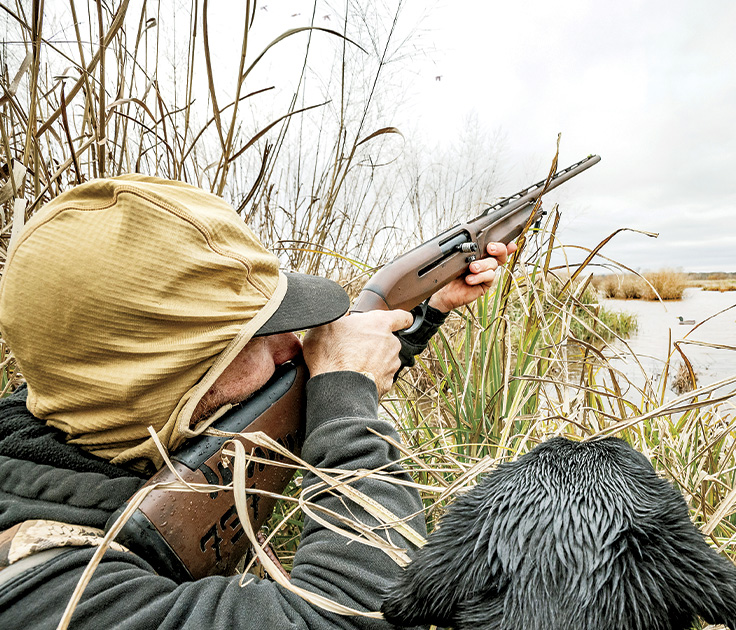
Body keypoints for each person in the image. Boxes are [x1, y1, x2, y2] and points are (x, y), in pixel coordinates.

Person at [0, 174, 514, 628]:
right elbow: (356, 611)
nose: (296, 345)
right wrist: (345, 394)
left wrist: (423, 313)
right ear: (167, 377)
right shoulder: (45, 591)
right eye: (258, 336)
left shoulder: (101, 416)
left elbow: (280, 396)